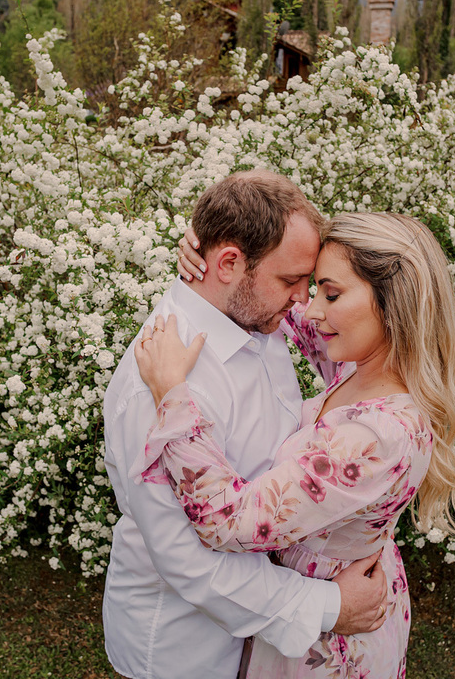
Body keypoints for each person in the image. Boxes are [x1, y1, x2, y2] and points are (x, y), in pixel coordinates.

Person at [132, 211, 455, 677]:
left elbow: (227, 521)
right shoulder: (359, 367)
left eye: (330, 294)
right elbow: (277, 306)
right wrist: (216, 261)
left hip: (325, 644)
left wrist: (172, 394)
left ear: (395, 304)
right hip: (322, 607)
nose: (311, 308)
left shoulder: (374, 438)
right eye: (311, 288)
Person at [102, 171, 390, 679]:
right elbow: (190, 560)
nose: (304, 299)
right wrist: (329, 606)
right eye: (290, 280)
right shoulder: (162, 378)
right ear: (230, 262)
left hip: (258, 638)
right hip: (184, 648)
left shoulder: (256, 314)